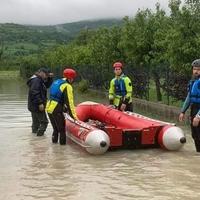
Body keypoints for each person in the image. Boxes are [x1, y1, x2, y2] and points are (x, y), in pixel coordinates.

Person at [46, 68, 78, 145]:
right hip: (56, 109)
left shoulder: (57, 81)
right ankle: (62, 151)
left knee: (55, 129)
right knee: (62, 130)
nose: (73, 80)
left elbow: (57, 95)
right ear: (70, 78)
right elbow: (70, 103)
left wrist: (63, 106)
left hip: (49, 107)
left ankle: (55, 148)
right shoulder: (67, 86)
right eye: (73, 78)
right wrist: (74, 117)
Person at [179, 59, 200, 152]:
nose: (196, 71)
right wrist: (182, 111)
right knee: (195, 134)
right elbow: (189, 97)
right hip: (194, 108)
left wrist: (198, 116)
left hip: (199, 111)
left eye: (198, 69)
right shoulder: (193, 81)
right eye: (195, 69)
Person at [27, 67, 53, 136]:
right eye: (46, 74)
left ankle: (33, 139)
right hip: (37, 106)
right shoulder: (36, 80)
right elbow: (35, 92)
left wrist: (50, 78)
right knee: (44, 122)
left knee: (35, 123)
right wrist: (40, 103)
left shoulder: (37, 79)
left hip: (33, 105)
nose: (46, 76)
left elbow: (46, 86)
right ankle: (39, 138)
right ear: (41, 72)